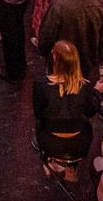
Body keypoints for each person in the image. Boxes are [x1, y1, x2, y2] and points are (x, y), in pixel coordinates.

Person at [36, 0, 103, 78]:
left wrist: (44, 53)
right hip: (88, 63)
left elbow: (46, 36)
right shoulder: (98, 0)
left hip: (62, 62)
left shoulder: (59, 5)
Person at [32, 38, 95, 168]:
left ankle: (50, 159)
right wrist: (97, 93)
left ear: (56, 60)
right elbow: (90, 112)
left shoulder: (42, 84)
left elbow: (38, 114)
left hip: (51, 142)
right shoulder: (84, 86)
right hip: (79, 144)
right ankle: (71, 168)